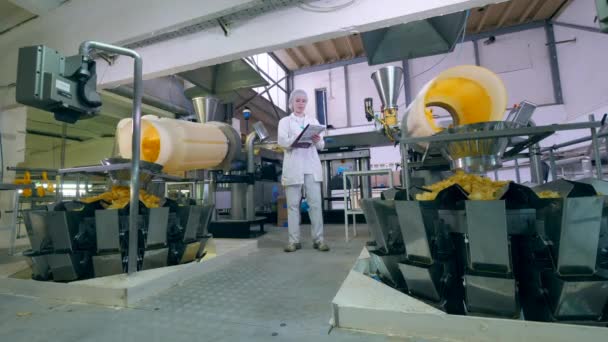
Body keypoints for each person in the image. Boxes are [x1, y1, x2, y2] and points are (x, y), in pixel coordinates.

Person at [277, 89, 329, 252]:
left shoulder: (313, 121)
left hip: (311, 168)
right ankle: (294, 241)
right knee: (293, 206)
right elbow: (282, 142)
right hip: (294, 168)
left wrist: (317, 139)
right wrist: (298, 138)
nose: (300, 104)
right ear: (291, 103)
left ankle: (319, 240)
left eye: (303, 101)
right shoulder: (285, 121)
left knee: (315, 205)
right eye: (297, 101)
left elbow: (322, 145)